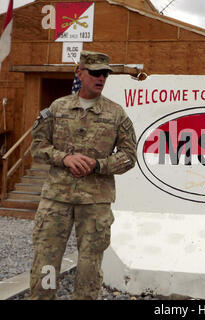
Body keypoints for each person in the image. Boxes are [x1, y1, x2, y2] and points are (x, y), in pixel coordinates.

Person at [29, 50, 137, 300]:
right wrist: (64, 158)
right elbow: (38, 146)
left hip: (95, 201)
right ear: (80, 73)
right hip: (57, 198)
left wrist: (99, 164)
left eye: (105, 74)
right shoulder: (58, 107)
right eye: (95, 73)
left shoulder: (116, 113)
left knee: (90, 264)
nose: (101, 78)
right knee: (47, 258)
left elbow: (130, 156)